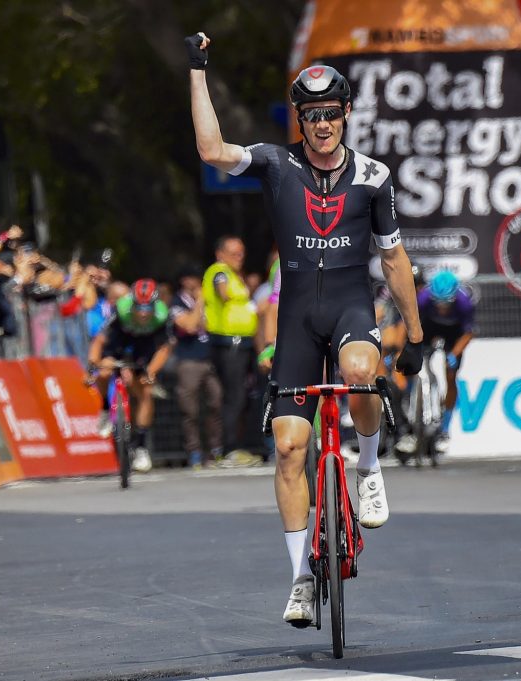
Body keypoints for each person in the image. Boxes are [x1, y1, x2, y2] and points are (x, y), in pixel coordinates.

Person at [188, 33, 424, 628]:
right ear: (301, 118)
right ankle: (299, 578)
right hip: (296, 317)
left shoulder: (373, 176)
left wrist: (415, 337)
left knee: (360, 373)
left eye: (331, 114)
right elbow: (213, 150)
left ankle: (368, 467)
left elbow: (394, 261)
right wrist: (197, 69)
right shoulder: (275, 162)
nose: (321, 125)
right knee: (291, 447)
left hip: (347, 307)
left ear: (347, 114)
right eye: (311, 115)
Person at [87, 278, 172, 473]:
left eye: (147, 308)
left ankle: (141, 446)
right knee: (104, 372)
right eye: (139, 307)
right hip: (120, 341)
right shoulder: (122, 309)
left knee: (145, 391)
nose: (143, 313)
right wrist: (93, 365)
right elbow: (99, 341)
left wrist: (151, 371)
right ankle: (105, 409)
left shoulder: (161, 315)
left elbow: (164, 349)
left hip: (145, 347)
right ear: (132, 303)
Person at [202, 235, 260, 466]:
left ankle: (237, 445)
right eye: (234, 253)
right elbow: (222, 289)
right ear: (221, 254)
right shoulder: (220, 270)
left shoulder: (235, 274)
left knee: (243, 396)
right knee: (234, 396)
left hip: (242, 343)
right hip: (229, 344)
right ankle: (228, 448)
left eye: (241, 253)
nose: (239, 257)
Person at [170, 266, 224, 470]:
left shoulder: (209, 301)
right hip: (189, 361)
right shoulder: (177, 303)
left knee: (216, 400)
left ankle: (215, 449)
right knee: (190, 409)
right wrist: (200, 301)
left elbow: (212, 325)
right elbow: (190, 325)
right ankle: (193, 451)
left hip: (208, 360)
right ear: (185, 280)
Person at [414, 270, 474, 452]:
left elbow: (468, 333)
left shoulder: (464, 303)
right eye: (438, 302)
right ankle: (413, 411)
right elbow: (412, 324)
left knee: (450, 375)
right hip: (429, 328)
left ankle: (445, 427)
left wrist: (454, 354)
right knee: (415, 363)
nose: (442, 308)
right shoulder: (423, 299)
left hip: (454, 334)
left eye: (446, 303)